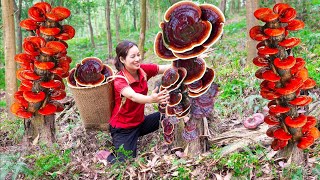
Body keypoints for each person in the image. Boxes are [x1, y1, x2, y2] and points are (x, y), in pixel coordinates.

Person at [96, 40, 171, 164]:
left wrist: (189, 60)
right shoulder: (119, 80)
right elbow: (133, 96)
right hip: (123, 128)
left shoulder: (142, 70)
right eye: (132, 56)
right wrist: (152, 99)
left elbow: (165, 68)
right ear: (122, 59)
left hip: (140, 123)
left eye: (138, 55)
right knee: (126, 163)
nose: (137, 59)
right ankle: (106, 156)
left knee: (169, 114)